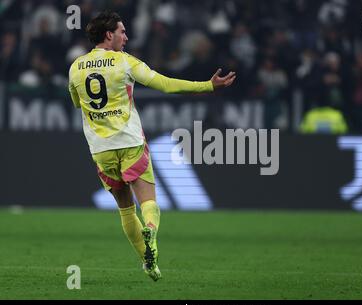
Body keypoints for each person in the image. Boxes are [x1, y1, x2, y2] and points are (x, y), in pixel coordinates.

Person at [68, 11, 236, 281]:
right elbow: (166, 85)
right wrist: (207, 86)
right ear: (108, 35)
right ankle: (151, 231)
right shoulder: (125, 62)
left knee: (124, 210)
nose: (126, 36)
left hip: (100, 148)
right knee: (148, 202)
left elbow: (77, 103)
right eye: (122, 31)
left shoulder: (75, 66)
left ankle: (148, 264)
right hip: (130, 142)